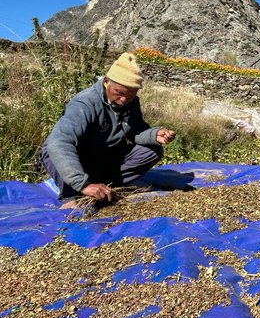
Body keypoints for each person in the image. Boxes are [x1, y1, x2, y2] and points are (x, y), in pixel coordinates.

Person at [40, 52, 176, 209]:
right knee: (52, 148)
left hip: (103, 157)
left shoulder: (131, 103)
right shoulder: (85, 103)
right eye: (119, 93)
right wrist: (82, 184)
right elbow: (60, 142)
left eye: (131, 95)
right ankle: (72, 194)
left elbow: (136, 130)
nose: (124, 99)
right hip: (80, 159)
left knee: (152, 150)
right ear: (106, 82)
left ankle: (107, 186)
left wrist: (154, 134)